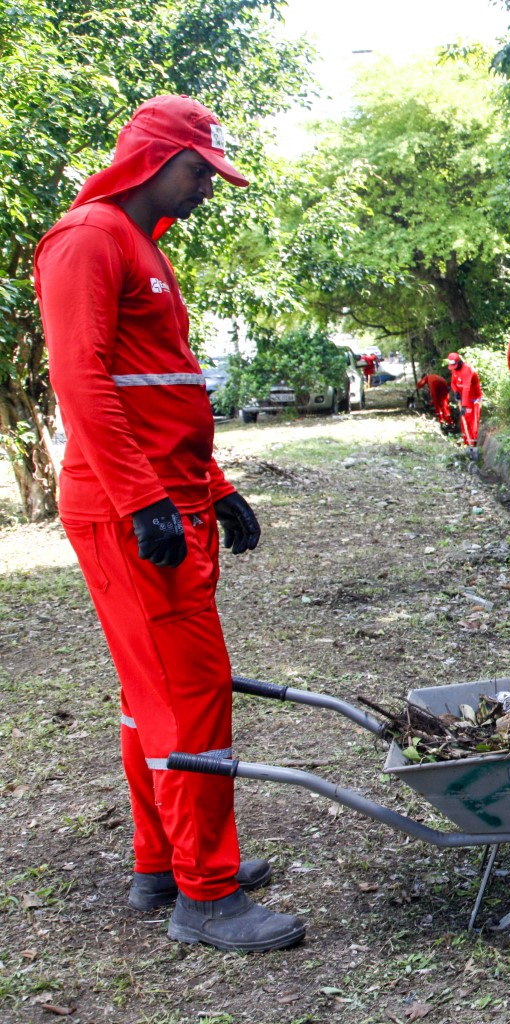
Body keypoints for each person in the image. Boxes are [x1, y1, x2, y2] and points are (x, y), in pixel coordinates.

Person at [32, 94, 306, 952]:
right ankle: (209, 896)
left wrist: (215, 485)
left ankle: (162, 866)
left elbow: (163, 389)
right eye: (199, 171)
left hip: (169, 498)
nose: (207, 189)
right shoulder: (89, 240)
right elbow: (81, 383)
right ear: (154, 159)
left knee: (151, 694)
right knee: (191, 695)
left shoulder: (141, 247)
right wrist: (143, 500)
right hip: (135, 511)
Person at [446, 351, 483, 452]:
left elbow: (466, 388)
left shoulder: (467, 370)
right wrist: (456, 392)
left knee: (472, 422)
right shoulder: (454, 369)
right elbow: (453, 383)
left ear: (459, 362)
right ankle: (467, 445)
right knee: (464, 421)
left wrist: (464, 406)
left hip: (473, 399)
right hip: (464, 398)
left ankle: (473, 447)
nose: (453, 368)